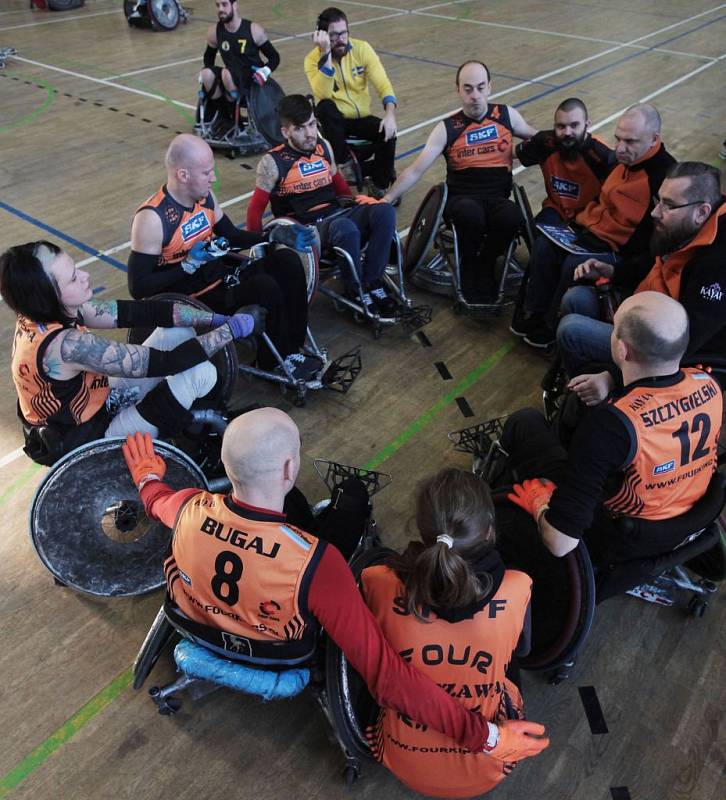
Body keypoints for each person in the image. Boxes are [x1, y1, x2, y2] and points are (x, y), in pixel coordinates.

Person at [120, 410, 549, 758]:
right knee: (350, 503)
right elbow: (387, 677)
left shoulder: (190, 507)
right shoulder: (318, 565)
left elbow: (157, 500)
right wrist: (489, 737)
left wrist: (146, 476)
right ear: (290, 467)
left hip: (197, 631)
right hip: (278, 659)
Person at [501, 293, 722, 576]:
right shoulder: (710, 384)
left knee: (525, 423)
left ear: (621, 350)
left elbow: (560, 542)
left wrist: (540, 504)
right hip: (687, 519)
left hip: (621, 535)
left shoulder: (612, 426)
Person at [361, 467, 548, 798]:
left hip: (398, 757)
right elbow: (522, 651)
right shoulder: (518, 586)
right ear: (489, 532)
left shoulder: (376, 579)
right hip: (490, 764)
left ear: (422, 528)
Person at [1, 240, 263, 465]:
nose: (85, 276)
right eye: (72, 278)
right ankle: (203, 439)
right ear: (48, 297)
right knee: (201, 372)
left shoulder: (40, 312)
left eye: (76, 268)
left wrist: (212, 319)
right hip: (87, 442)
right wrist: (233, 330)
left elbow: (142, 312)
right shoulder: (65, 347)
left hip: (91, 407)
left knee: (177, 334)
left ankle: (190, 423)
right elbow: (165, 363)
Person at [129, 134, 321, 380]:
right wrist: (187, 266)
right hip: (192, 301)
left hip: (221, 280)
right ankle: (270, 362)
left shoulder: (205, 197)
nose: (214, 178)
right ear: (183, 175)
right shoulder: (152, 219)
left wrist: (272, 235)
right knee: (265, 287)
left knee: (287, 262)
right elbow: (138, 287)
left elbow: (231, 235)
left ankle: (292, 349)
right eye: (207, 173)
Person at [515, 103, 675, 348]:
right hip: (588, 233)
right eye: (618, 139)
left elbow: (656, 243)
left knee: (573, 264)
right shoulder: (621, 162)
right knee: (544, 247)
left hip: (619, 251)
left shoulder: (664, 178)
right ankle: (533, 311)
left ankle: (551, 325)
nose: (620, 149)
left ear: (654, 139)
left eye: (630, 142)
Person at [556, 162, 726, 383]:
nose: (656, 212)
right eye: (659, 201)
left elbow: (685, 344)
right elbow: (658, 259)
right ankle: (584, 386)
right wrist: (613, 271)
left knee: (572, 331)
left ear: (701, 212)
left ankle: (603, 398)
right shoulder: (691, 226)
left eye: (668, 205)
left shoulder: (718, 262)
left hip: (670, 352)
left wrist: (613, 377)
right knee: (576, 297)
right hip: (646, 313)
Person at [383, 61, 537, 303]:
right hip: (462, 198)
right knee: (470, 214)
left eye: (480, 87)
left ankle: (485, 263)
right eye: (467, 89)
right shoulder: (446, 129)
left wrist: (574, 139)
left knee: (512, 217)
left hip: (497, 196)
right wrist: (387, 198)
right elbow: (415, 170)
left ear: (489, 88)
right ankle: (468, 265)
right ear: (458, 90)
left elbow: (538, 140)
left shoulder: (506, 116)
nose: (474, 96)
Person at [247, 94, 399, 315]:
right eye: (300, 128)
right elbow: (255, 210)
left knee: (384, 211)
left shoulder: (323, 146)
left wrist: (358, 203)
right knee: (346, 229)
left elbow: (340, 186)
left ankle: (372, 282)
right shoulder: (272, 163)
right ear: (285, 132)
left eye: (311, 124)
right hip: (308, 228)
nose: (310, 133)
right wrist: (259, 251)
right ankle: (354, 290)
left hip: (337, 213)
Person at [304, 6, 398, 197]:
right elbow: (322, 93)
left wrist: (390, 115)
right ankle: (345, 162)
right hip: (334, 124)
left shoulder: (362, 49)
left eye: (344, 33)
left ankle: (379, 184)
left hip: (361, 118)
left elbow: (383, 84)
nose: (340, 40)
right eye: (334, 35)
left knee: (388, 133)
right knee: (324, 106)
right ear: (322, 36)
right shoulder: (312, 60)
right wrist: (325, 54)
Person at [199, 0, 280, 121]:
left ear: (235, 5)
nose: (220, 9)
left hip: (252, 79)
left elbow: (274, 57)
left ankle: (236, 121)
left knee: (226, 73)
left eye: (224, 4)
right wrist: (206, 74)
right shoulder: (214, 32)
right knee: (206, 74)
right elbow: (208, 57)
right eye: (218, 5)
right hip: (230, 76)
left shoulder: (254, 30)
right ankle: (225, 117)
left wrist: (265, 71)